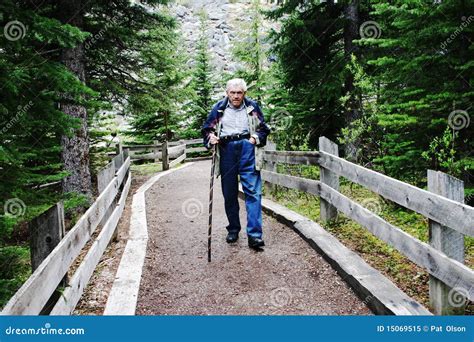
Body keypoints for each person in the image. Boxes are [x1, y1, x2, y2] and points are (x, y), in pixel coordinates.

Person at [202, 78, 271, 250]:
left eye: (239, 93)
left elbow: (263, 128)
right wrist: (211, 137)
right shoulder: (218, 108)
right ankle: (233, 228)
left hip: (247, 149)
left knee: (253, 193)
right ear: (227, 93)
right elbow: (207, 128)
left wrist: (255, 138)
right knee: (229, 193)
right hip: (227, 150)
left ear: (244, 93)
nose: (236, 96)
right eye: (232, 93)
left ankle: (255, 236)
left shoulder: (252, 107)